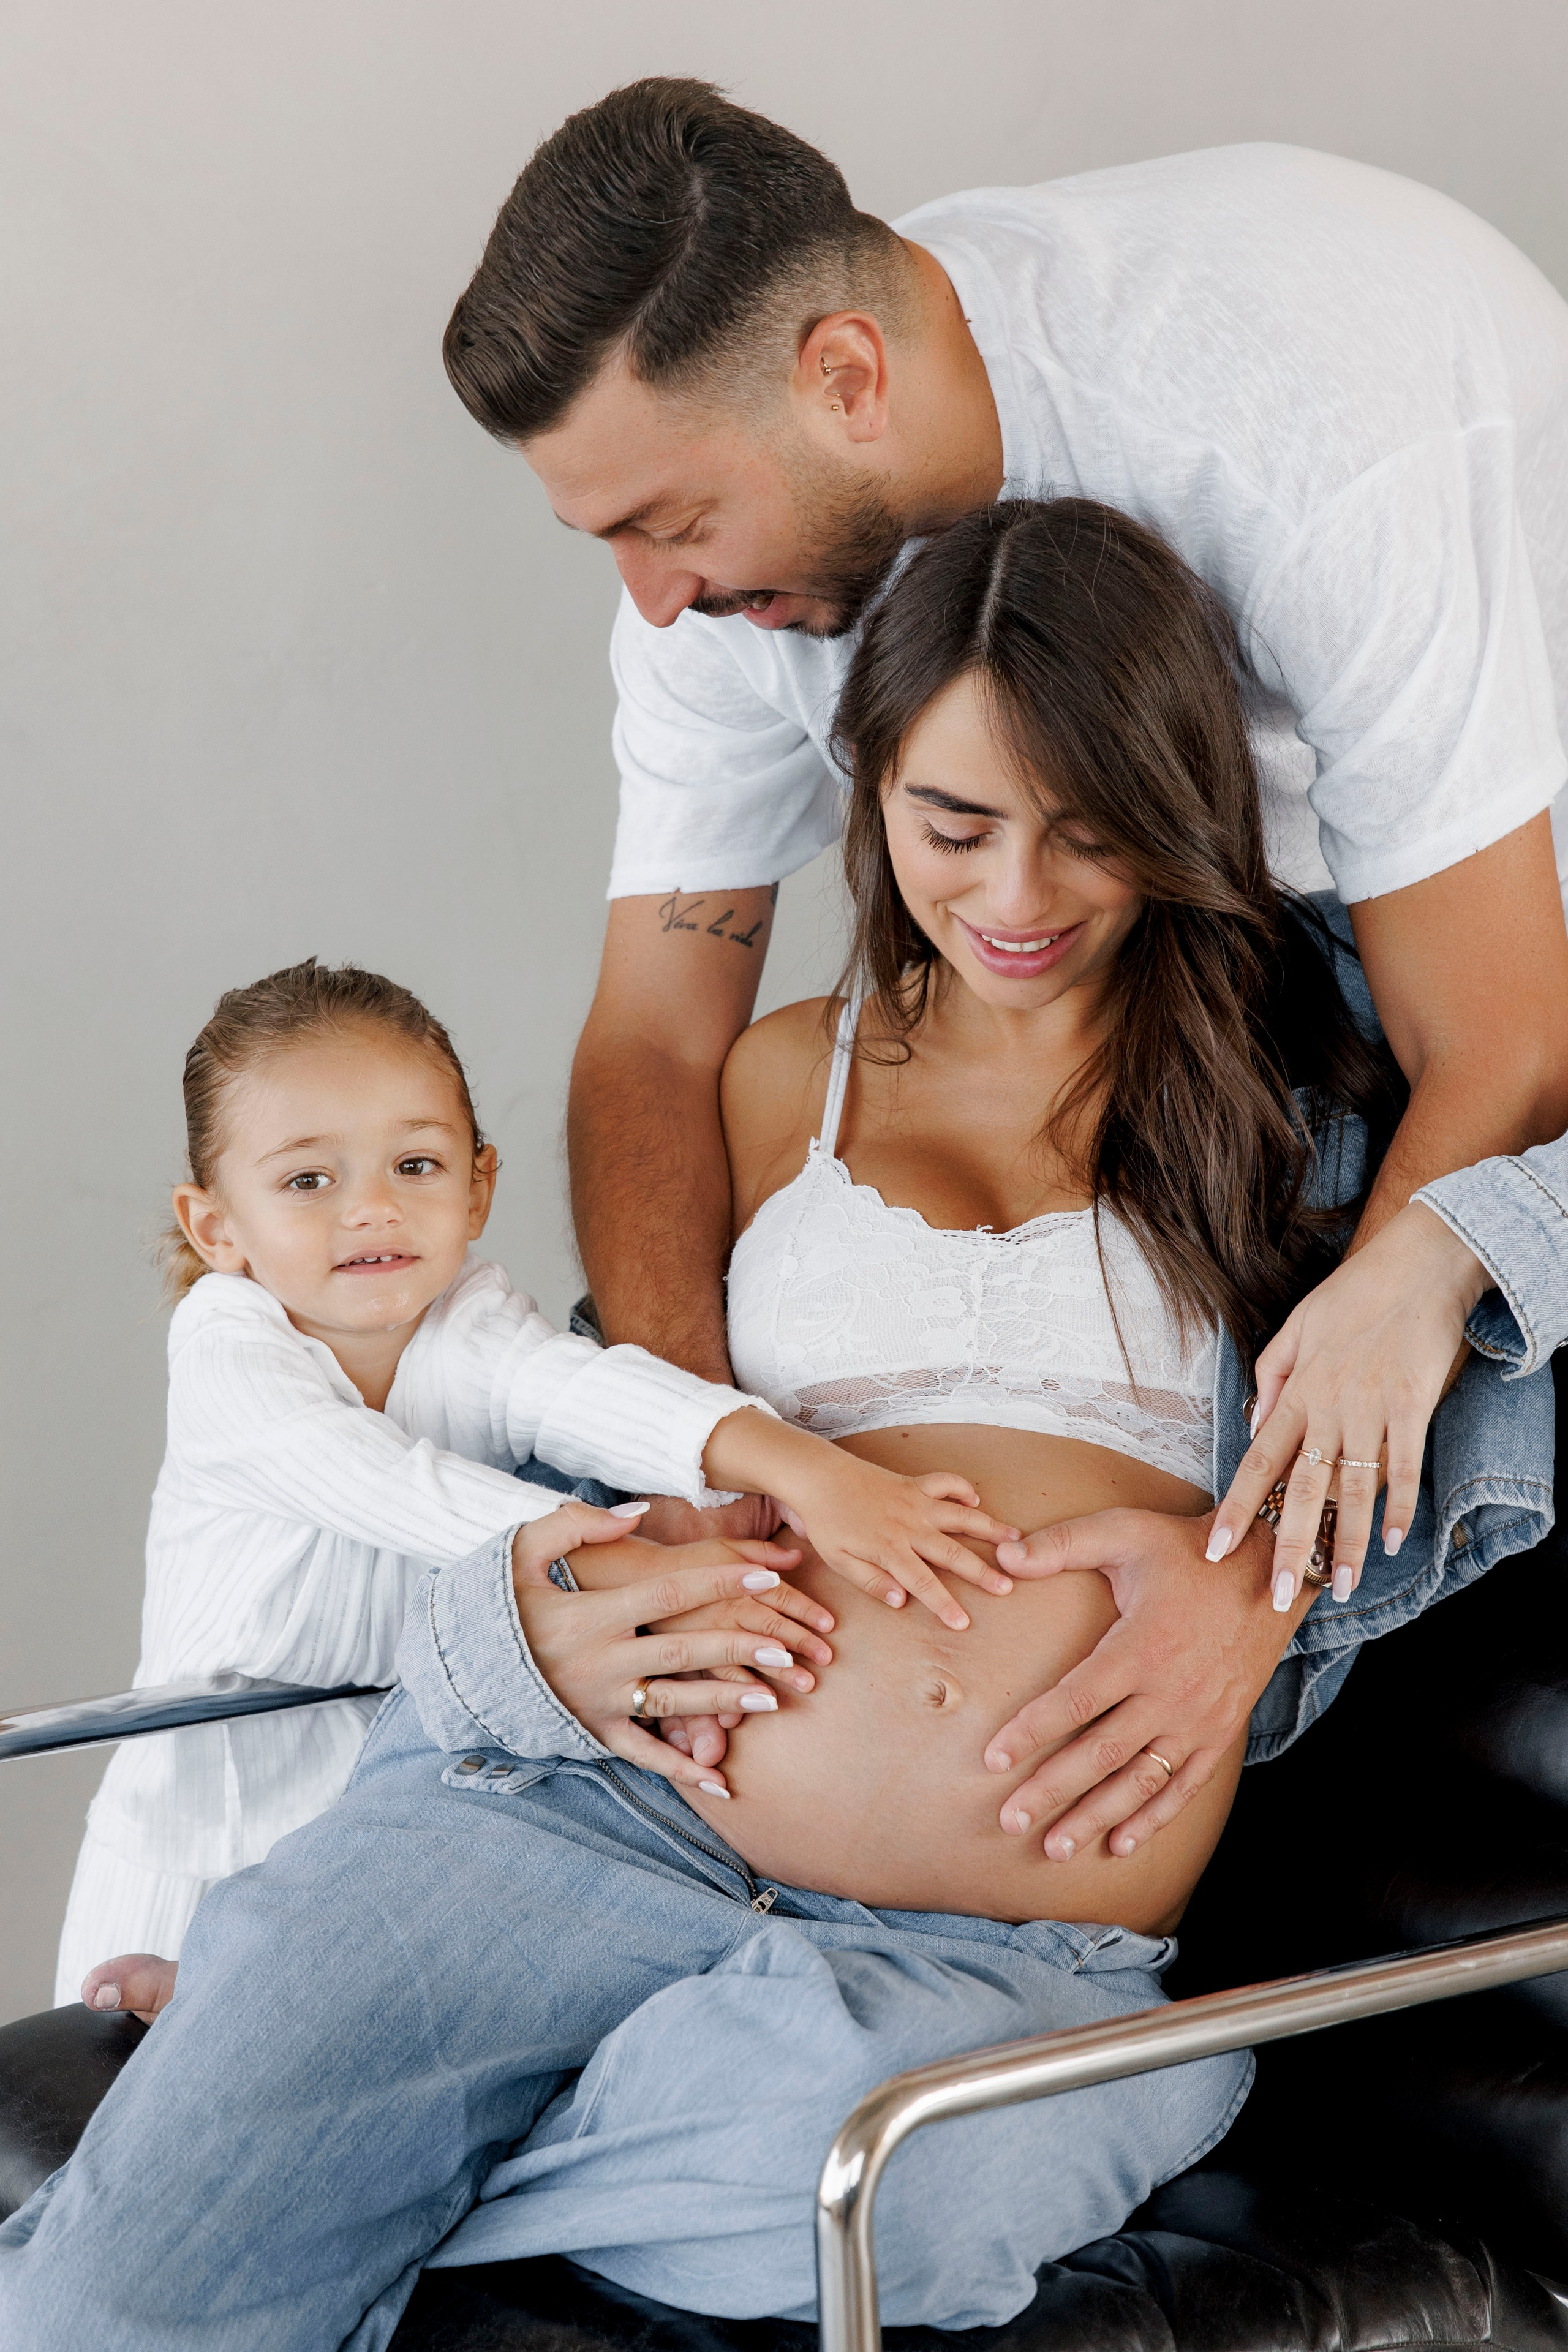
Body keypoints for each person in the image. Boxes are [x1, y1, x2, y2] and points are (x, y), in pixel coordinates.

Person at [2, 502, 1554, 2349]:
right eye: (955, 823)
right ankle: (310, 2111)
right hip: (582, 1816)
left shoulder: (1295, 1102)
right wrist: (532, 1613)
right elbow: (591, 1437)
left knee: (903, 2181)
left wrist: (1276, 1573)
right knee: (111, 2299)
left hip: (986, 1953)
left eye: (1090, 828)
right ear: (872, 788)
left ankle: (371, 2146)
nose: (1019, 897)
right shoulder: (765, 1077)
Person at [442, 78, 1568, 1842]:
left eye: (670, 525)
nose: (651, 601)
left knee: (1427, 1290)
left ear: (845, 379)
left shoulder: (1302, 416)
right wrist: (693, 1454)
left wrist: (1275, 1550)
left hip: (1475, 890)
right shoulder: (717, 571)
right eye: (612, 543)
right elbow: (653, 1045)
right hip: (1168, 916)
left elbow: (1500, 1029)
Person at [64, 955, 1030, 2014]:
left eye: (417, 1166)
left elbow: (583, 1389)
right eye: (308, 1180)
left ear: (480, 1185)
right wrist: (652, 1576)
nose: (372, 1211)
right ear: (217, 1229)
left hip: (384, 1803)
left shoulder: (465, 1319)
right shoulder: (226, 1349)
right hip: (202, 1820)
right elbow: (394, 1487)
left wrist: (804, 1469)